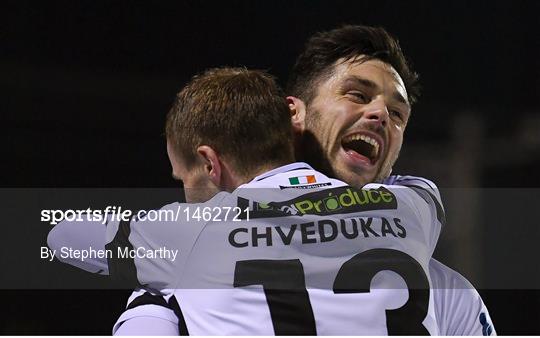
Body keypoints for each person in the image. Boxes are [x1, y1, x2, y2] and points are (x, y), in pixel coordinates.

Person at [48, 67, 445, 335]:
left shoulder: (190, 231)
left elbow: (62, 236)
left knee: (154, 297)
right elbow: (419, 190)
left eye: (181, 176)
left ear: (209, 163)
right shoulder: (408, 208)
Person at [285, 24, 495, 335]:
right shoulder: (212, 244)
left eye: (397, 114)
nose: (381, 114)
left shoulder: (450, 297)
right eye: (357, 94)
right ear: (294, 113)